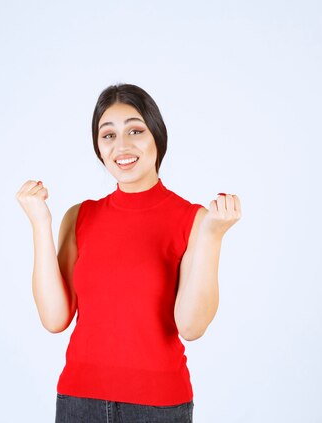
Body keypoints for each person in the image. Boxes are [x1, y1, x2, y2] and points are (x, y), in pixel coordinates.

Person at [16, 83, 241, 422]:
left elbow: (191, 327)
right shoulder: (80, 216)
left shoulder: (193, 219)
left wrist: (213, 236)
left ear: (156, 137)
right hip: (79, 402)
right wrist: (39, 223)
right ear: (98, 148)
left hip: (158, 406)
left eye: (135, 130)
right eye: (108, 135)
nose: (121, 145)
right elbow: (54, 318)